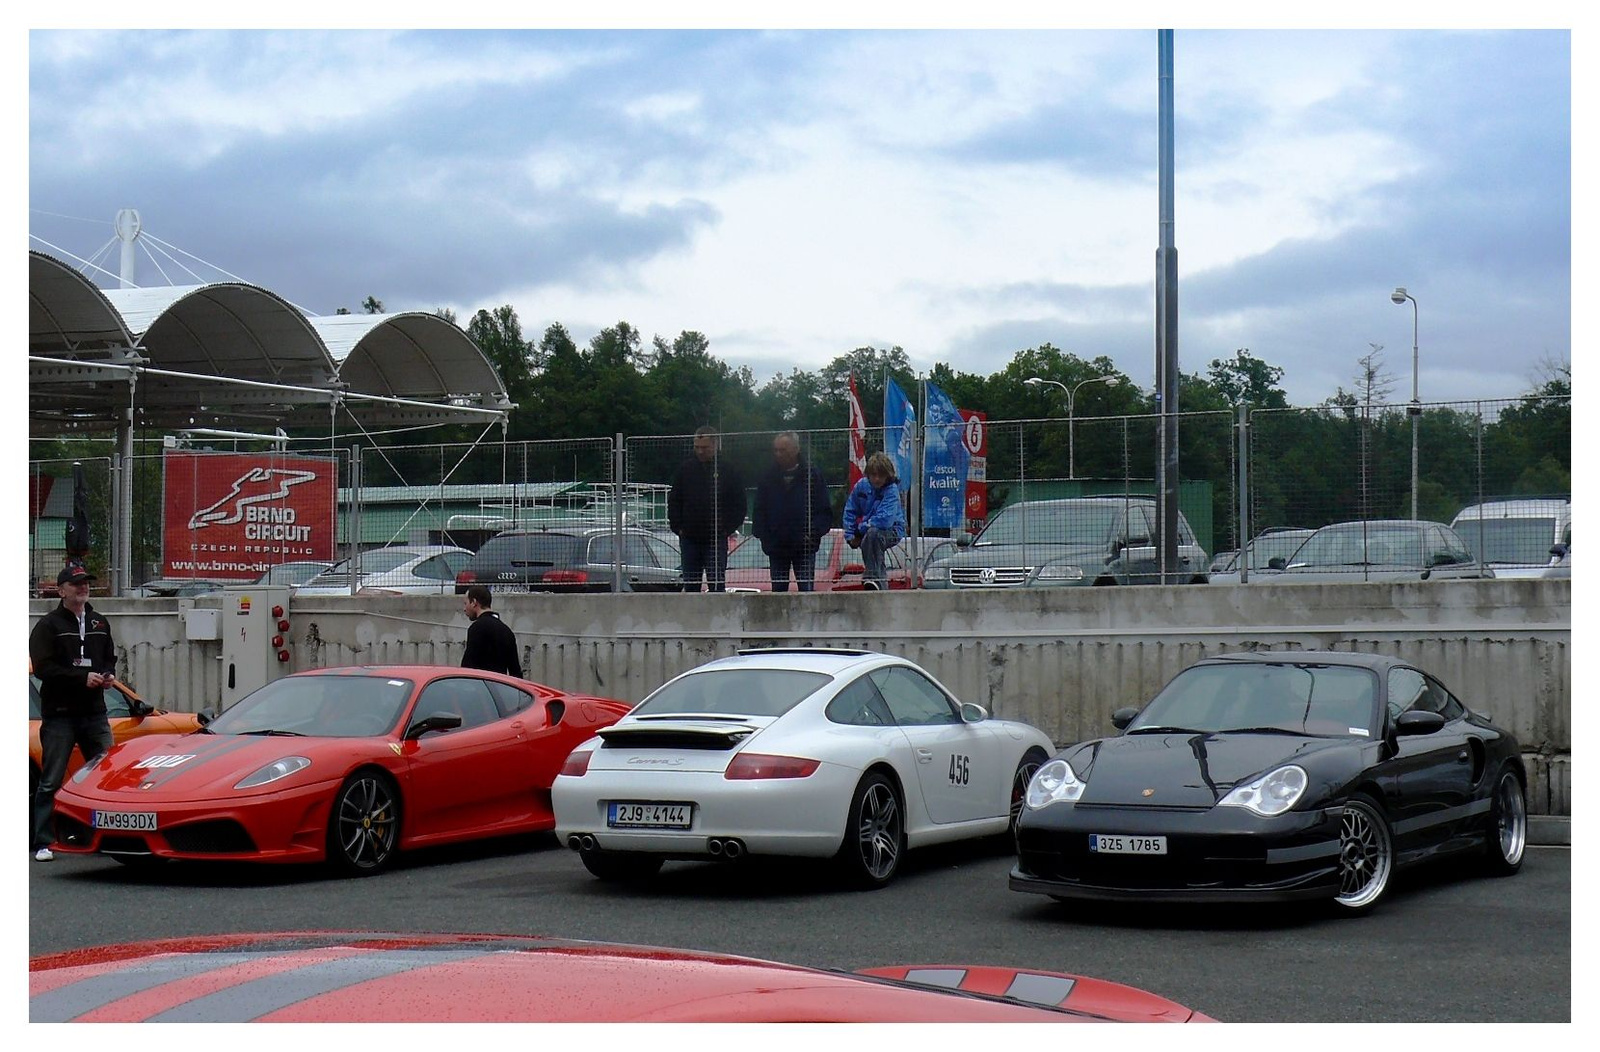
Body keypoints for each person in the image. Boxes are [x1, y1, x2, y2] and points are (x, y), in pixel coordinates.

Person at [29, 562, 121, 861]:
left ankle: (110, 836)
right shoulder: (48, 625)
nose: (83, 588)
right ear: (61, 590)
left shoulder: (99, 622)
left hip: (95, 713)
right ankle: (43, 840)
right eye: (76, 583)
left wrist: (107, 674)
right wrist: (80, 677)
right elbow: (43, 668)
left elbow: (109, 657)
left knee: (106, 775)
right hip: (60, 714)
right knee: (52, 778)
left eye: (86, 583)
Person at [667, 426, 747, 592]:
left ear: (715, 445)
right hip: (689, 539)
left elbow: (739, 504)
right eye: (697, 447)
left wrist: (726, 529)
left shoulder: (728, 470)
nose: (700, 451)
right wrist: (679, 528)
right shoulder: (686, 469)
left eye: (705, 447)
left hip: (716, 539)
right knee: (691, 585)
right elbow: (674, 500)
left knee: (717, 585)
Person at [752, 431, 833, 592]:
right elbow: (759, 510)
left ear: (796, 449)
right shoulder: (768, 477)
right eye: (776, 450)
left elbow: (824, 510)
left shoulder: (812, 476)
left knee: (806, 592)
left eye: (783, 450)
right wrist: (765, 538)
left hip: (804, 546)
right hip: (776, 546)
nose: (778, 454)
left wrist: (812, 534)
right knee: (778, 594)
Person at [842, 451, 907, 590]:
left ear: (888, 475)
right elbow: (850, 510)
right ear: (868, 474)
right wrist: (850, 535)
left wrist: (859, 531)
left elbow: (885, 520)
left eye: (881, 475)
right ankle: (880, 587)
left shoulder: (892, 491)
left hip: (893, 530)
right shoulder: (861, 486)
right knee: (873, 543)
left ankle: (871, 577)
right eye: (873, 475)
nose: (877, 479)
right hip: (869, 531)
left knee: (872, 534)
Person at [461, 584, 522, 677]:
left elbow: (468, 666)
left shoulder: (476, 628)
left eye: (466, 603)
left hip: (480, 687)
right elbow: (515, 671)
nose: (464, 609)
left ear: (474, 602)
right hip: (499, 688)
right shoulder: (507, 631)